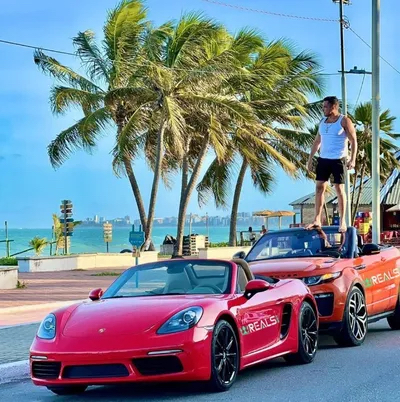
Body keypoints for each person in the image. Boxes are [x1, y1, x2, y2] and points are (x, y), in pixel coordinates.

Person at [306, 96, 357, 233]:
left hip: (338, 160)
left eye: (325, 106)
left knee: (339, 189)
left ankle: (343, 221)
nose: (323, 109)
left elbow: (353, 140)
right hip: (323, 159)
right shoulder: (322, 122)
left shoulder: (344, 120)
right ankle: (317, 219)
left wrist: (352, 159)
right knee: (319, 188)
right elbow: (317, 141)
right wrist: (310, 159)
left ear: (333, 107)